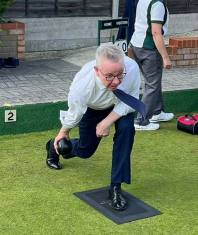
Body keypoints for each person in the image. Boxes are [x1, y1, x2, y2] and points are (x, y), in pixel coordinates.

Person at [46, 43, 144, 211]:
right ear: (97, 71)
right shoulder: (82, 85)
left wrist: (107, 122)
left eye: (120, 74)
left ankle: (115, 187)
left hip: (121, 106)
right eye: (109, 76)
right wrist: (62, 134)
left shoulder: (132, 68)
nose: (116, 81)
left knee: (127, 130)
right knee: (86, 151)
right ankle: (51, 147)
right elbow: (75, 112)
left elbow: (132, 101)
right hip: (93, 108)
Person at [129, 0, 181, 131]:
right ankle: (142, 121)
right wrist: (166, 57)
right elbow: (156, 33)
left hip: (137, 46)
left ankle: (157, 112)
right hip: (149, 48)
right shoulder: (157, 3)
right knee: (152, 84)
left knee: (154, 81)